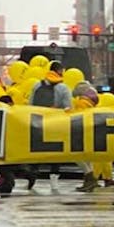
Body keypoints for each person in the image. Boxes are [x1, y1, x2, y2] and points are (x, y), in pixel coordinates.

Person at [29, 61, 71, 192]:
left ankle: (32, 176)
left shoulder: (37, 85)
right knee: (55, 154)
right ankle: (54, 182)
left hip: (38, 123)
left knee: (37, 152)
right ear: (60, 71)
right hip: (55, 124)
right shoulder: (63, 88)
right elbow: (68, 108)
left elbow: (30, 104)